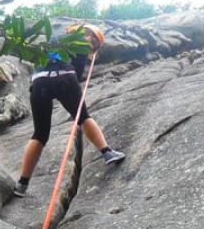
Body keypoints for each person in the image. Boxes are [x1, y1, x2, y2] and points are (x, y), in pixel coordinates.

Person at [12, 23, 125, 198]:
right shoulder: (78, 40)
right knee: (83, 117)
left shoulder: (53, 38)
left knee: (40, 134)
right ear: (89, 34)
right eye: (94, 42)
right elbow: (77, 73)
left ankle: (22, 184)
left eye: (94, 46)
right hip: (66, 78)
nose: (92, 47)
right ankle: (107, 153)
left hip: (40, 82)